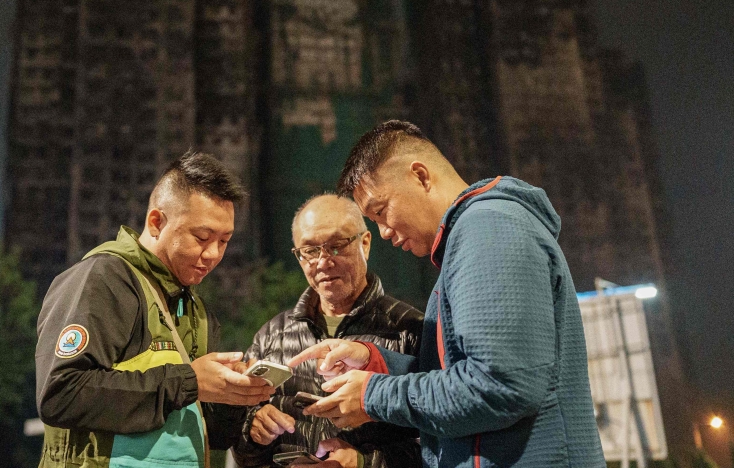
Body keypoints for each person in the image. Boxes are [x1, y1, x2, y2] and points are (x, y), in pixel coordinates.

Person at [288, 121, 605, 468]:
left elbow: (499, 385)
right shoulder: (466, 240)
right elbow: (460, 371)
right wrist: (375, 362)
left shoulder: (488, 229)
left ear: (420, 176)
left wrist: (372, 395)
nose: (384, 233)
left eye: (381, 212)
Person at [35, 152, 275, 468]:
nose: (213, 254)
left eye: (224, 241)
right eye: (202, 237)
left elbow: (210, 434)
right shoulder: (103, 280)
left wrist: (238, 399)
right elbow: (61, 395)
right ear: (157, 222)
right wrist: (190, 382)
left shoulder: (196, 310)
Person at [233, 194, 423, 468]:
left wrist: (363, 462)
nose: (323, 261)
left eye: (336, 245)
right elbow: (242, 454)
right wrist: (253, 430)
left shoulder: (410, 329)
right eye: (309, 251)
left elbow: (441, 445)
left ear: (365, 244)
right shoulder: (273, 335)